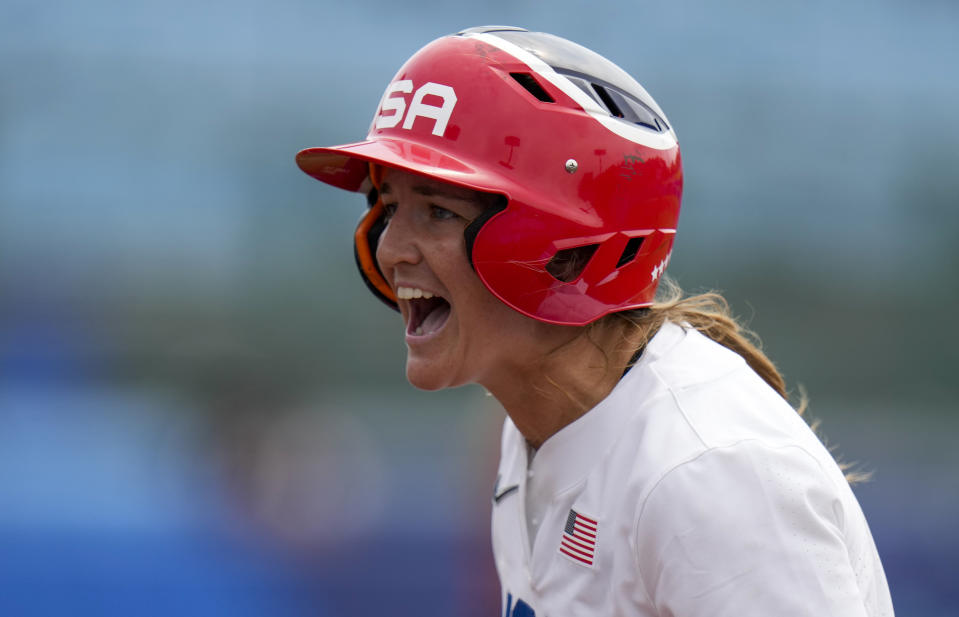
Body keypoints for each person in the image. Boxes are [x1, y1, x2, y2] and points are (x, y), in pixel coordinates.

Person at [295, 26, 894, 617]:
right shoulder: (538, 422)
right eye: (389, 207)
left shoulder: (708, 473)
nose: (391, 248)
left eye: (438, 211)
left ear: (566, 246)